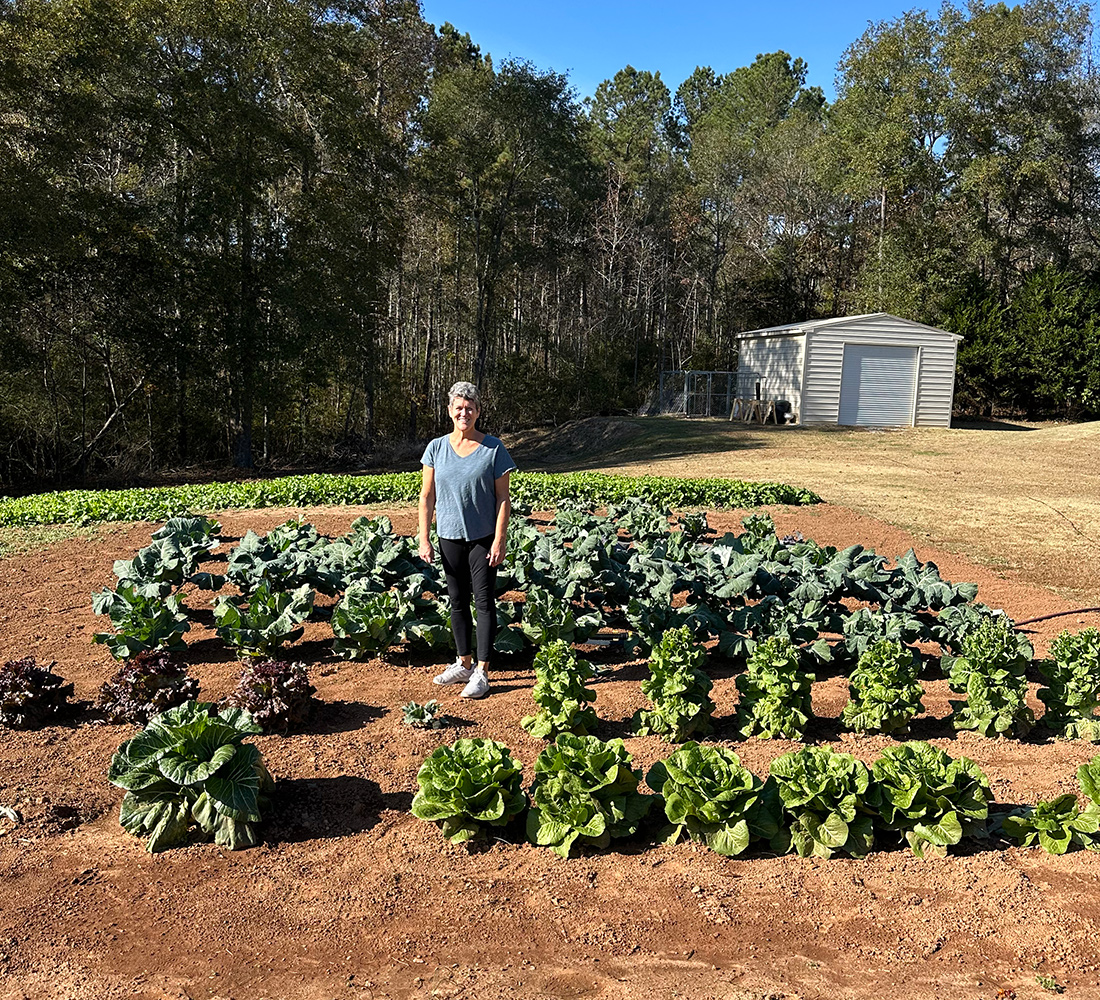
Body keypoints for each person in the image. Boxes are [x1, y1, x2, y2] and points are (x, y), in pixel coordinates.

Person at [418, 381, 516, 699]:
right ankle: (463, 662)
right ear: (449, 411)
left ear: (478, 412)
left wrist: (499, 539)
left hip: (482, 538)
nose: (464, 412)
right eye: (459, 407)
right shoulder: (436, 448)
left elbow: (503, 499)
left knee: (484, 603)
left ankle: (482, 671)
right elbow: (427, 496)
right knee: (457, 601)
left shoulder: (493, 449)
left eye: (470, 407)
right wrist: (424, 537)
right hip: (448, 536)